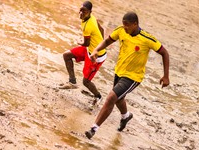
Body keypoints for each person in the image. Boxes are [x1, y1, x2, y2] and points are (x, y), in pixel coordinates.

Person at [85, 11, 170, 139]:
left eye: (127, 25)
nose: (125, 27)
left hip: (133, 77)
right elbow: (107, 41)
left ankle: (93, 129)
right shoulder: (121, 31)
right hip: (119, 71)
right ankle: (126, 116)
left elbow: (165, 53)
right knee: (119, 98)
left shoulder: (147, 39)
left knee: (111, 98)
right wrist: (96, 50)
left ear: (135, 24)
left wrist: (166, 76)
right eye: (123, 25)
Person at [59, 1, 107, 107]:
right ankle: (72, 82)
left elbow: (86, 43)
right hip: (89, 50)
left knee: (86, 81)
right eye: (80, 10)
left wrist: (96, 48)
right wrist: (101, 44)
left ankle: (98, 96)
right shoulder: (92, 17)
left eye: (84, 11)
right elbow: (102, 29)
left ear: (89, 12)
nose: (81, 13)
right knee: (67, 55)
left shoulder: (87, 26)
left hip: (96, 56)